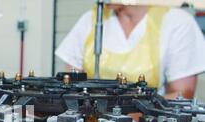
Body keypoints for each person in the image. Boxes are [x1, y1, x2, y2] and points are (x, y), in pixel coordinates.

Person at [55, 4, 205, 99]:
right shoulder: (90, 20)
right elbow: (69, 86)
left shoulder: (175, 22)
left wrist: (133, 114)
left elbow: (182, 95)